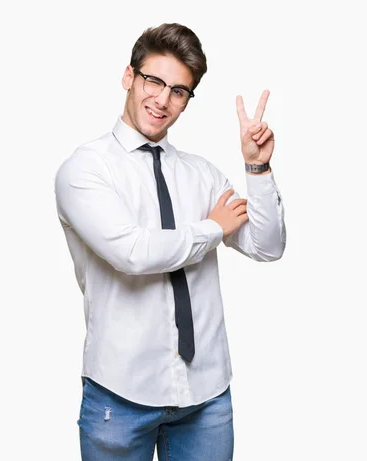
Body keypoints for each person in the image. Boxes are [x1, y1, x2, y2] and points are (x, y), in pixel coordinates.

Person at [54, 23, 286, 460]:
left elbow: (266, 245)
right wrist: (212, 229)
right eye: (153, 81)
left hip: (207, 395)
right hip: (120, 395)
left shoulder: (201, 174)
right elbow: (133, 252)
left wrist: (257, 170)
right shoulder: (85, 170)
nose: (162, 100)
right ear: (129, 76)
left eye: (178, 91)